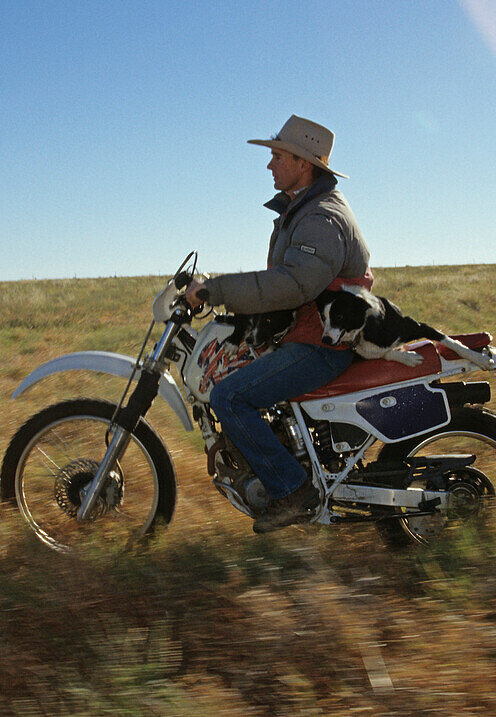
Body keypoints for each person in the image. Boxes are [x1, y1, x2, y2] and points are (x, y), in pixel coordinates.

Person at [185, 114, 373, 533]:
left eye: (276, 156)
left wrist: (216, 290)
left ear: (302, 164)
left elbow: (293, 284)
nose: (270, 165)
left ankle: (293, 491)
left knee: (230, 397)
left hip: (324, 343)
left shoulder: (321, 217)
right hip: (313, 331)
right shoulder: (304, 210)